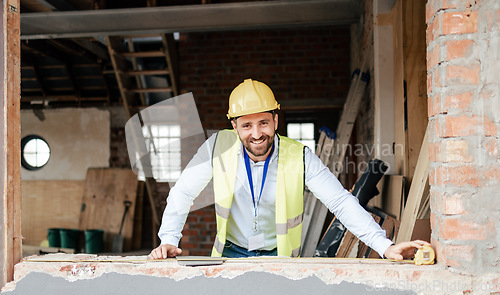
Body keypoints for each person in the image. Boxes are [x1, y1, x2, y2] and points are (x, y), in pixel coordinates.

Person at [149, 79, 429, 259]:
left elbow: (341, 202)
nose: (256, 134)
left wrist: (384, 245)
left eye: (263, 123)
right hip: (229, 254)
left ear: (275, 120)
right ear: (234, 126)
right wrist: (168, 240)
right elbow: (183, 192)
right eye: (246, 125)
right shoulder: (215, 148)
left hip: (278, 257)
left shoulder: (299, 156)